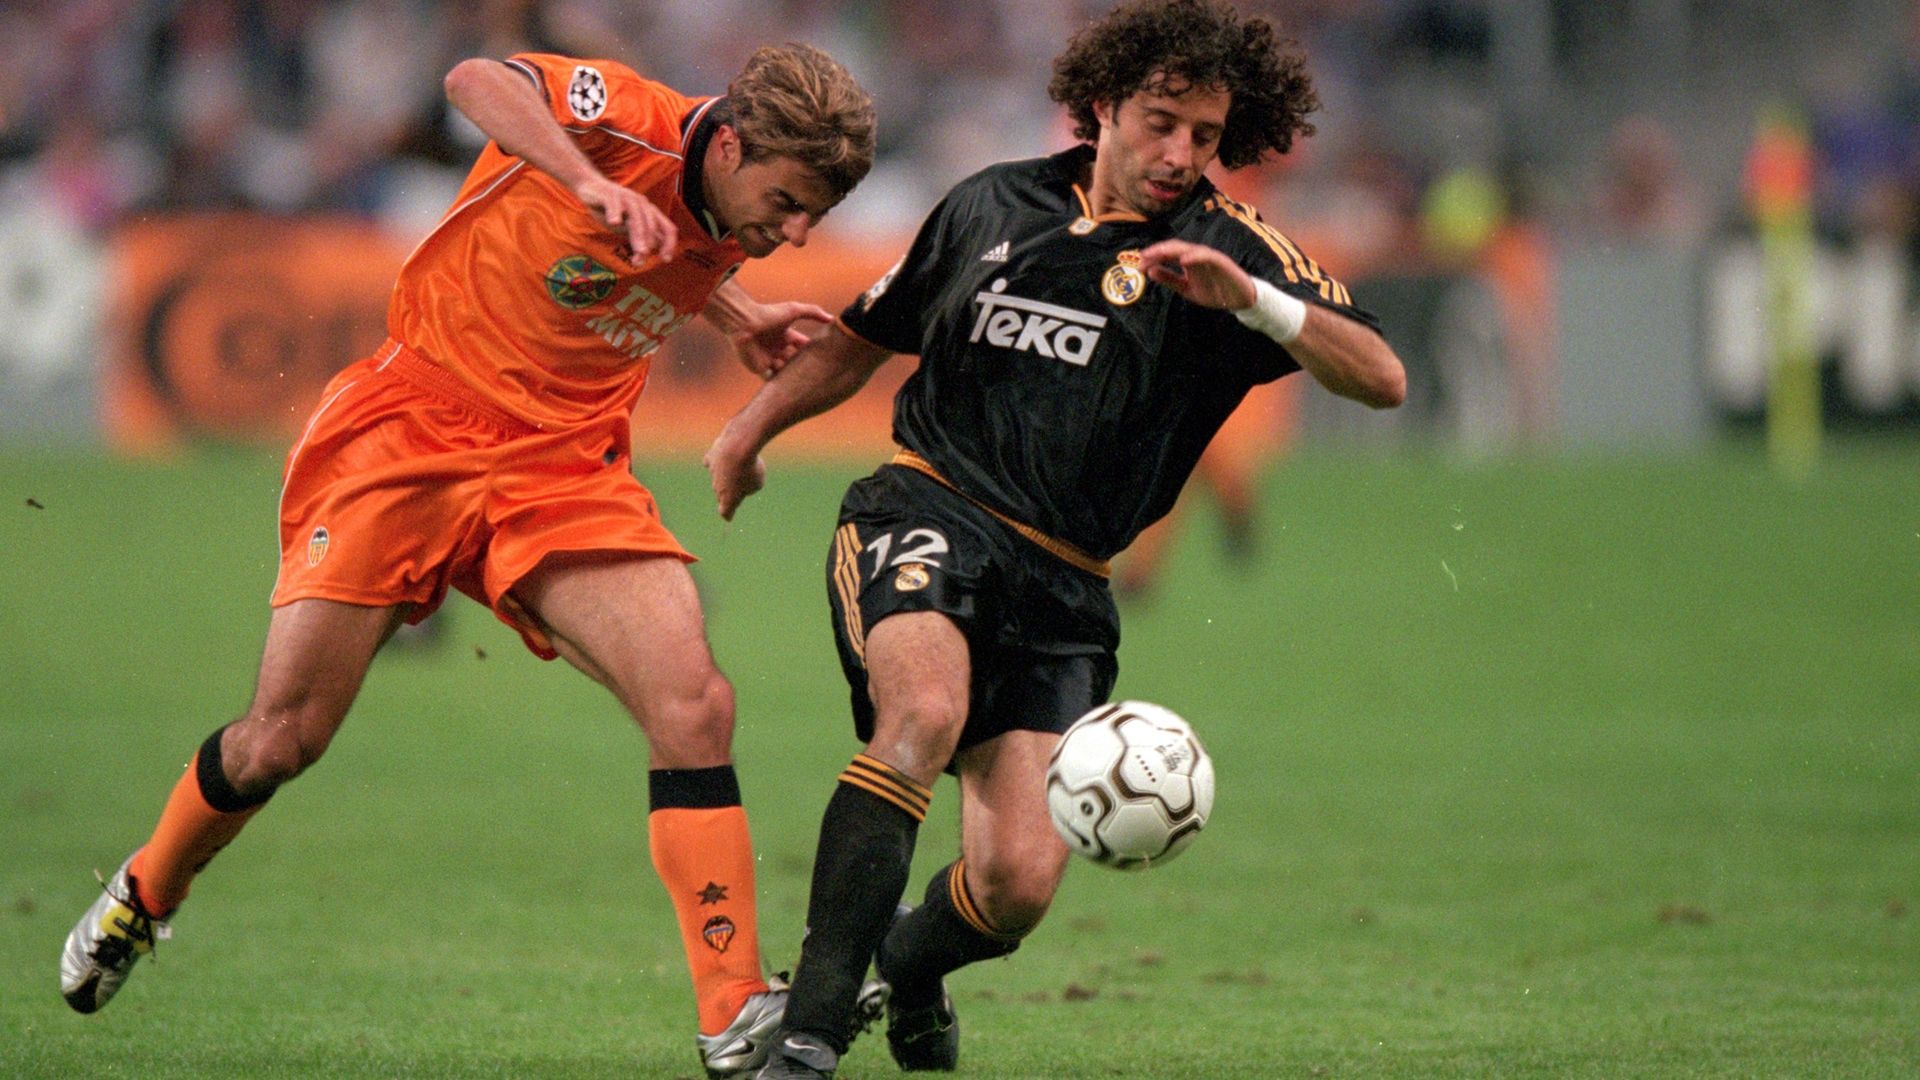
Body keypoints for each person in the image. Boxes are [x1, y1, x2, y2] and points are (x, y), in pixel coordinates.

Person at [60, 42, 875, 1080]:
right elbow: (474, 82)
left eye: (815, 218)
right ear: (733, 143)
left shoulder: (735, 212)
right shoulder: (625, 118)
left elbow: (666, 249)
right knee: (280, 741)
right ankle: (145, 894)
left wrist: (740, 309)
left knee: (695, 704)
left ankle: (731, 1011)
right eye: (791, 201)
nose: (796, 233)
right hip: (411, 431)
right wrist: (583, 179)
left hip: (561, 471)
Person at [703, 2, 1403, 1076]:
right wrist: (747, 432)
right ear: (1106, 105)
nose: (1180, 155)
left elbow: (1382, 377)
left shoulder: (1229, 253)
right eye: (1161, 122)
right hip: (926, 508)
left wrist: (1256, 303)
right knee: (922, 712)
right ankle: (807, 1035)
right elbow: (861, 340)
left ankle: (910, 965)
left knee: (1019, 885)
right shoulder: (991, 202)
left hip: (1068, 584)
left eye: (1206, 137)